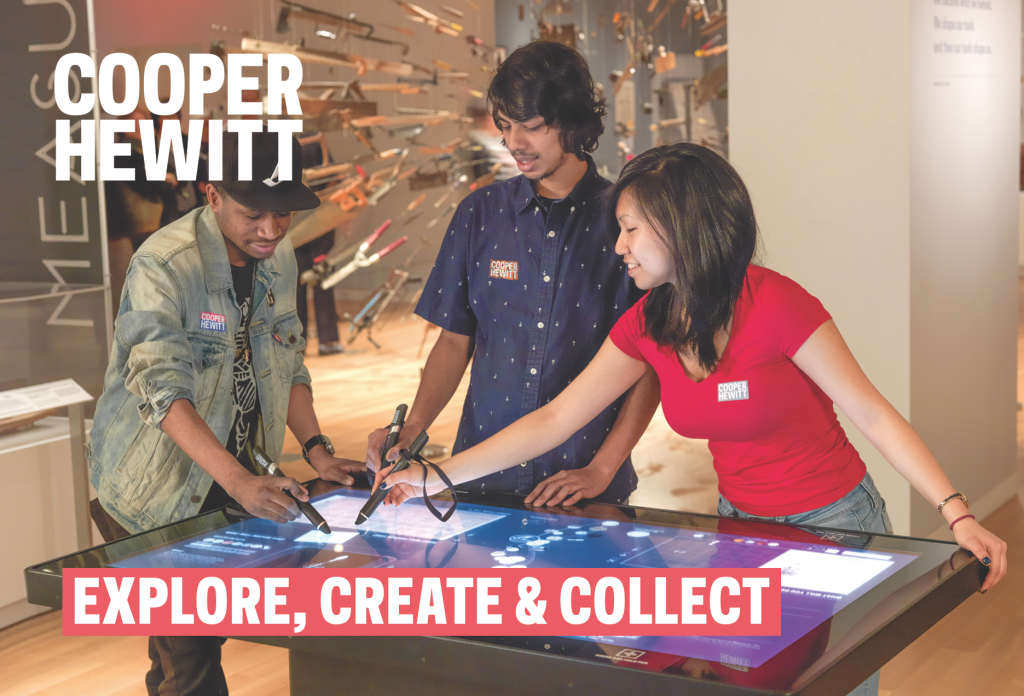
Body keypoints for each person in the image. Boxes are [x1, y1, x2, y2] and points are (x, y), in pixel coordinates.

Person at [376, 144, 1008, 691]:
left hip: (836, 526)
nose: (617, 246)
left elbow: (872, 413)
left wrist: (958, 513)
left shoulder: (778, 303)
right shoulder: (648, 323)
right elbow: (556, 418)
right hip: (740, 532)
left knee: (829, 685)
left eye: (630, 229)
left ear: (681, 228)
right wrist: (438, 477)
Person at [88, 128, 365, 695]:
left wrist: (318, 451)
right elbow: (162, 392)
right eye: (254, 214)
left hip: (228, 479)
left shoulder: (277, 255)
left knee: (186, 644)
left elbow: (287, 356)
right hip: (152, 490)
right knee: (189, 664)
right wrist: (241, 482)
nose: (271, 230)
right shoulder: (164, 265)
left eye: (282, 214)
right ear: (211, 195)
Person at [366, 40, 661, 505]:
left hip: (581, 480)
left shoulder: (621, 220)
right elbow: (453, 340)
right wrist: (412, 429)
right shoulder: (478, 214)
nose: (516, 144)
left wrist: (602, 470)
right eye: (505, 127)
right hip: (479, 473)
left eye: (533, 127)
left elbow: (648, 367)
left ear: (572, 121)